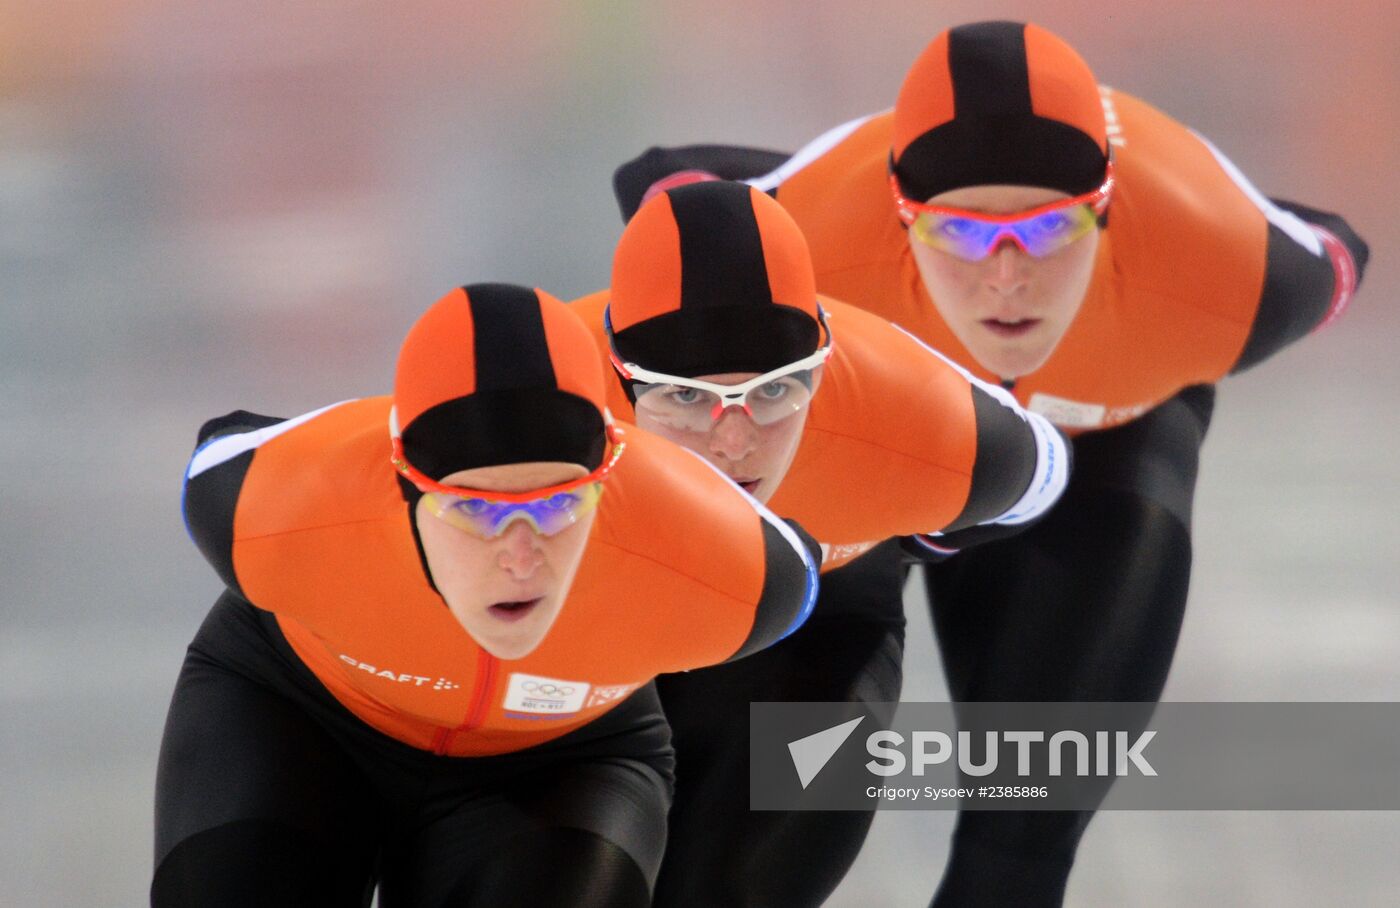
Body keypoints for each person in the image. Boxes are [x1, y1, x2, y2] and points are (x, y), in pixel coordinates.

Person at [611, 20, 1370, 907]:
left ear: (1109, 207)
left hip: (1098, 453)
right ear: (901, 216)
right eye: (963, 235)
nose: (1007, 277)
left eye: (1050, 229)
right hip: (868, 455)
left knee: (1021, 832)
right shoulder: (813, 235)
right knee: (752, 836)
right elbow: (663, 184)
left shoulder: (1232, 273)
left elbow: (1335, 243)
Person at [153, 283, 822, 908]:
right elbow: (224, 446)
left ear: (606, 480)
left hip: (563, 760)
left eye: (561, 502)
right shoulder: (277, 508)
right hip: (299, 713)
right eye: (477, 510)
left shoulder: (732, 569)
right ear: (406, 488)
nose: (522, 554)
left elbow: (806, 568)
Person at [570, 178, 1072, 907]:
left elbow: (1036, 482)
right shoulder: (548, 405)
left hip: (815, 638)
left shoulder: (920, 423)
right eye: (685, 397)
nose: (733, 440)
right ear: (618, 377)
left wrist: (910, 543)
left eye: (774, 391)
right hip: (610, 636)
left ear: (821, 365)